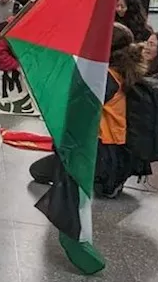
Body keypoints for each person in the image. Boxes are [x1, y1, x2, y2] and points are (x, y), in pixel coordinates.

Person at [29, 23, 148, 198]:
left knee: (40, 172)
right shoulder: (125, 70)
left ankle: (103, 177)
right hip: (117, 147)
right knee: (41, 170)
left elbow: (80, 113)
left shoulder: (106, 77)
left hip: (101, 148)